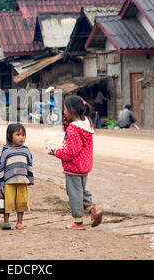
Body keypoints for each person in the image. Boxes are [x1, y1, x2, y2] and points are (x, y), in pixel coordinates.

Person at [49, 95, 102, 230]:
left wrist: (55, 152)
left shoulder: (73, 128)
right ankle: (91, 208)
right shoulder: (87, 123)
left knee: (74, 193)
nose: (64, 111)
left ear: (71, 109)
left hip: (74, 166)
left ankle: (78, 222)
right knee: (81, 190)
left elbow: (70, 151)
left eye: (65, 109)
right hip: (84, 166)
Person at [0, 123, 33, 230]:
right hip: (9, 182)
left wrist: (30, 179)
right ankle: (6, 222)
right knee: (8, 202)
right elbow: (0, 167)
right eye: (18, 134)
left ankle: (19, 222)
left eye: (23, 135)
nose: (21, 137)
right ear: (9, 136)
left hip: (22, 180)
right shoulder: (6, 151)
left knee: (21, 202)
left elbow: (30, 165)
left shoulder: (26, 150)